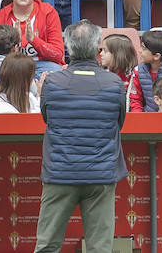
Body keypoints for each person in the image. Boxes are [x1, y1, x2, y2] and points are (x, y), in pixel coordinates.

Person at [33, 20, 129, 252]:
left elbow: (47, 119)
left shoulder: (53, 82)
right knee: (100, 248)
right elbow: (119, 123)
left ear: (68, 47)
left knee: (47, 245)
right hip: (101, 174)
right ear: (97, 47)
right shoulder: (114, 83)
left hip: (60, 173)